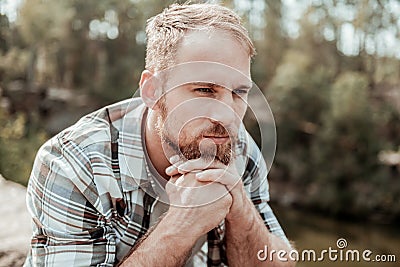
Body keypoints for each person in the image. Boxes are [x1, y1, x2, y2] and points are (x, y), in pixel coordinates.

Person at [24, 3, 295, 266]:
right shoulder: (73, 162)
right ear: (152, 90)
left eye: (239, 92)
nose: (227, 115)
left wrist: (240, 208)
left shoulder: (238, 148)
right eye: (204, 90)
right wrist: (181, 225)